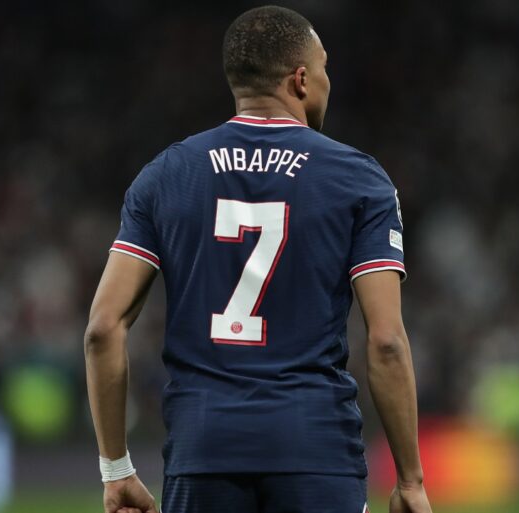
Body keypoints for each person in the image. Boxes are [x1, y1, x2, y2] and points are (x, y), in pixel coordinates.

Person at [84, 6, 433, 513]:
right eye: (324, 67)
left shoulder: (166, 175)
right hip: (316, 449)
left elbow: (102, 329)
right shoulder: (358, 179)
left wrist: (116, 470)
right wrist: (410, 480)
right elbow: (385, 342)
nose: (328, 81)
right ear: (300, 79)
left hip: (203, 449)